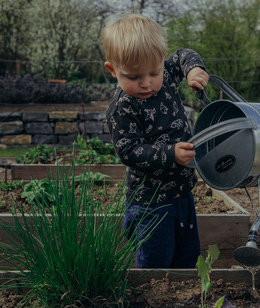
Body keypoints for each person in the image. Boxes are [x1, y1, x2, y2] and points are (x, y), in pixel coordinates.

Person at [102, 13, 209, 268]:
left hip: (183, 193)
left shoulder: (168, 75)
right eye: (133, 77)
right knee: (155, 262)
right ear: (112, 70)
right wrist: (170, 154)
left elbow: (183, 54)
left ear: (162, 61)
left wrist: (194, 69)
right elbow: (129, 151)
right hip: (150, 203)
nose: (146, 83)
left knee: (187, 256)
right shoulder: (122, 107)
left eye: (154, 72)